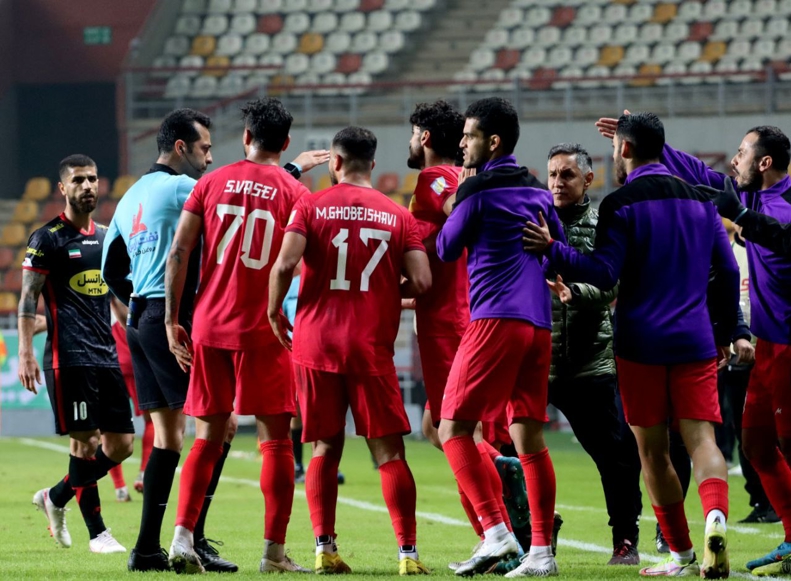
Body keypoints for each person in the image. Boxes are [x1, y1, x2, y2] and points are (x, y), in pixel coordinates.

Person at [525, 112, 737, 578]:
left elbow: (603, 273)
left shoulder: (620, 203)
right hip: (696, 338)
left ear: (622, 150)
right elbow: (729, 272)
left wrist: (552, 251)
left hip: (640, 342)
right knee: (702, 440)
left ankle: (680, 554)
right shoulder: (703, 202)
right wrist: (725, 332)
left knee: (652, 453)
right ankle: (716, 518)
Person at [626, 119, 791, 577]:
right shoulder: (749, 194)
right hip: (768, 345)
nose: (733, 160)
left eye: (740, 152)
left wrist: (737, 213)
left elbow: (783, 238)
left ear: (764, 162)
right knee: (756, 445)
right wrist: (648, 144)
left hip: (789, 347)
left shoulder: (778, 203)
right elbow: (701, 174)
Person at [268, 126, 432, 576]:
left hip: (315, 342)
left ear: (335, 163)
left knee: (324, 446)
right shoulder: (398, 214)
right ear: (373, 166)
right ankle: (408, 554)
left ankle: (324, 547)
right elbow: (421, 282)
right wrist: (383, 289)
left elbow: (284, 263)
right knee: (389, 453)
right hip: (370, 348)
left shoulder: (310, 204)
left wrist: (271, 311)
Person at [165, 97, 311, 574]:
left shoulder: (210, 181)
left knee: (206, 436)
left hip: (210, 324)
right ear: (285, 143)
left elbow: (179, 252)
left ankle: (182, 541)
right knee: (275, 442)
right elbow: (298, 264)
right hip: (265, 330)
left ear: (246, 136)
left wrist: (172, 318)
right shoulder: (294, 193)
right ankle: (273, 554)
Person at [102, 108, 238, 573]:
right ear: (180, 147)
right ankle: (193, 540)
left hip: (141, 316)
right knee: (221, 426)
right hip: (173, 318)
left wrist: (139, 305)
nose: (209, 157)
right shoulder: (187, 188)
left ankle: (145, 550)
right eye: (203, 148)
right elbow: (240, 204)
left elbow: (110, 270)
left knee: (168, 436)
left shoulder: (126, 199)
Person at [436, 97, 565, 578]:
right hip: (538, 324)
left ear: (491, 142)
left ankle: (495, 532)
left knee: (452, 428)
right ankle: (541, 553)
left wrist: (459, 198)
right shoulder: (537, 191)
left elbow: (447, 248)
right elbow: (557, 252)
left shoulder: (479, 191)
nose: (461, 143)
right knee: (527, 436)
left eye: (468, 136)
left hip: (494, 319)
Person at [20, 154, 134, 554]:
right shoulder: (46, 238)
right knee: (84, 443)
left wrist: (136, 331)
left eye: (93, 179)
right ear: (63, 189)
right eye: (79, 180)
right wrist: (25, 352)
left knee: (121, 445)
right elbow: (27, 302)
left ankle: (55, 496)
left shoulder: (106, 238)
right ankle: (98, 534)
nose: (88, 186)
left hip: (106, 354)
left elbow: (115, 297)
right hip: (68, 358)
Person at [542, 143, 642, 565]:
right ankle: (536, 531)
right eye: (552, 175)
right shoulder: (531, 221)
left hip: (591, 361)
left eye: (567, 175)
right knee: (507, 445)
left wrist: (574, 293)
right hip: (538, 360)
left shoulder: (605, 223)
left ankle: (625, 539)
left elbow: (613, 283)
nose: (557, 183)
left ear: (588, 180)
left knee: (616, 454)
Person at [716, 222, 778, 524]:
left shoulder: (765, 252)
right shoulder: (725, 254)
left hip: (770, 349)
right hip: (737, 357)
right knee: (744, 431)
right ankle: (761, 499)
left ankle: (775, 501)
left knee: (775, 431)